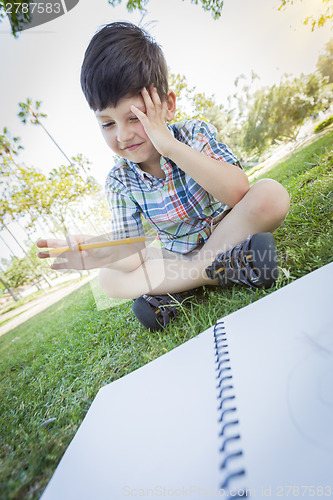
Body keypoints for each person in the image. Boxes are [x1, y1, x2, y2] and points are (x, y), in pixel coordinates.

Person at [37, 22, 290, 332]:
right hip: (176, 255)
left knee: (270, 195)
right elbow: (131, 257)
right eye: (107, 124)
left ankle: (178, 287)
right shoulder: (119, 181)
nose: (123, 135)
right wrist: (93, 249)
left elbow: (239, 192)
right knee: (108, 280)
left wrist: (169, 147)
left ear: (168, 105)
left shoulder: (194, 134)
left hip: (227, 230)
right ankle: (227, 266)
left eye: (134, 117)